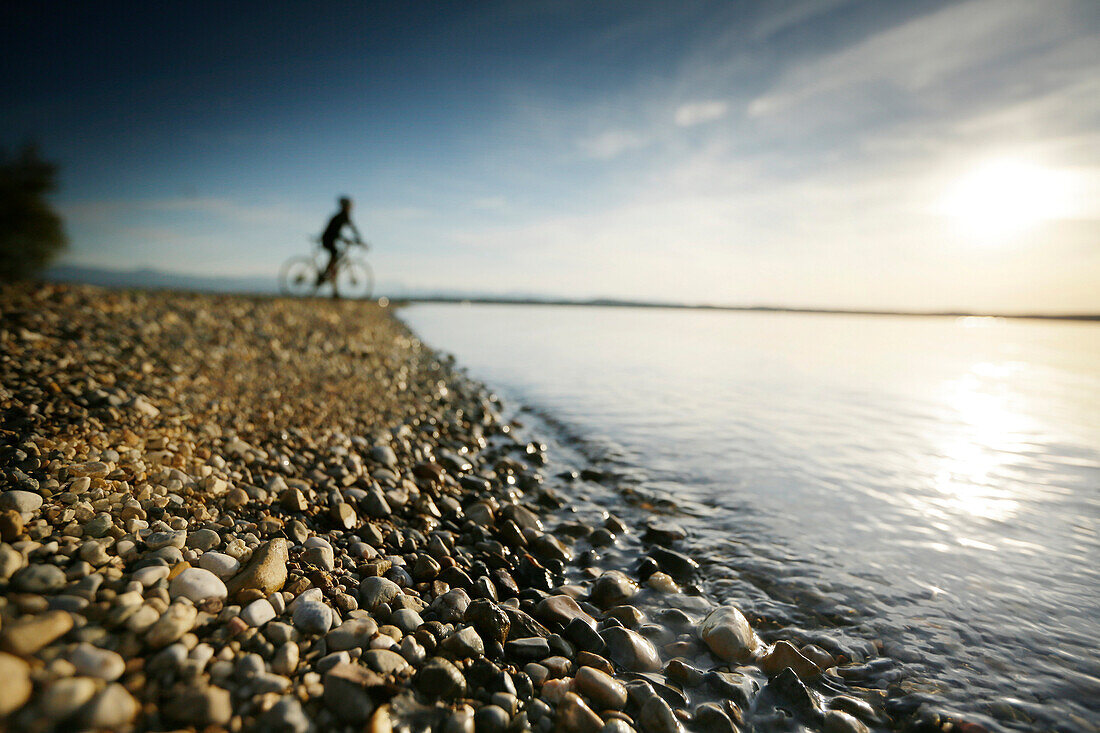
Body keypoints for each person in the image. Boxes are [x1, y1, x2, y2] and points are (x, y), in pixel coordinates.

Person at [317, 196, 363, 290]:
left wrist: (358, 239)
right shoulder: (340, 216)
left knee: (335, 263)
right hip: (328, 239)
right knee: (334, 255)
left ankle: (332, 286)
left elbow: (352, 228)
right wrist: (352, 240)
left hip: (332, 239)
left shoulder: (343, 216)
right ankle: (324, 275)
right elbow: (334, 232)